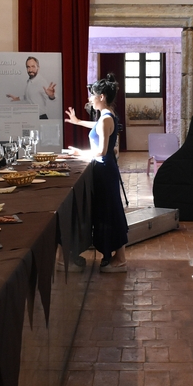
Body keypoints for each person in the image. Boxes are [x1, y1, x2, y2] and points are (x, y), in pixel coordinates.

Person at [64, 74, 129, 272]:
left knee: (110, 212)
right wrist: (78, 122)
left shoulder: (104, 119)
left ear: (101, 96)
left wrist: (79, 152)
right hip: (106, 170)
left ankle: (121, 259)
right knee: (109, 210)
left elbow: (100, 151)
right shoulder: (108, 115)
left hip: (104, 170)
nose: (90, 99)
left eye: (92, 95)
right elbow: (98, 127)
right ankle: (116, 256)